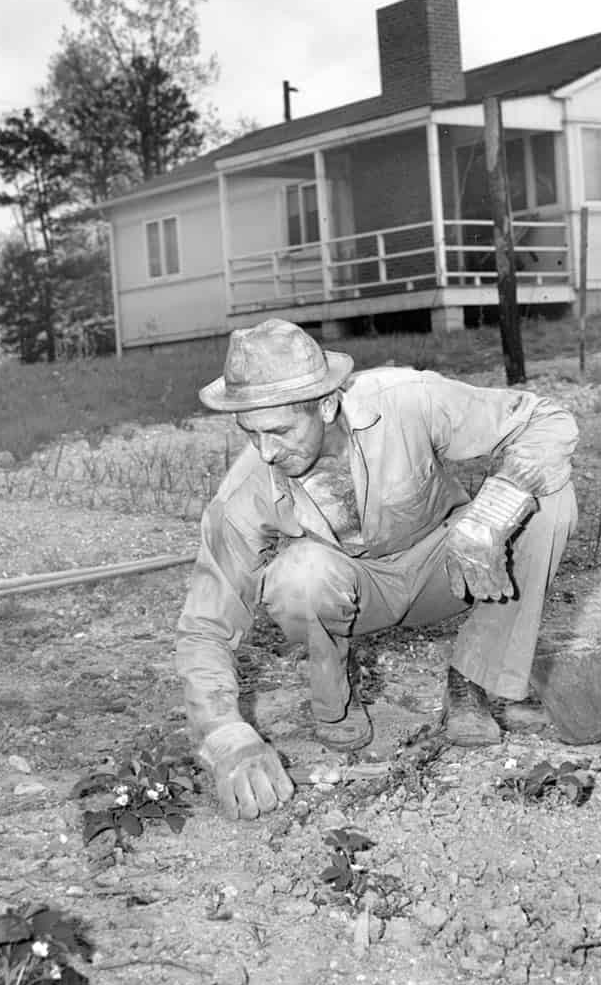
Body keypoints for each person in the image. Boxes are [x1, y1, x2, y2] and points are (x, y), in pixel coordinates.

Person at [176, 318, 578, 820]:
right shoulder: (246, 490)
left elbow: (548, 419)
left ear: (326, 405)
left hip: (447, 569)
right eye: (250, 433)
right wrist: (225, 736)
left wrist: (495, 511)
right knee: (300, 575)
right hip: (357, 594)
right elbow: (204, 627)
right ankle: (335, 701)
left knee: (546, 497)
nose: (266, 452)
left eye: (278, 431)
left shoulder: (406, 399)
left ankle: (471, 680)